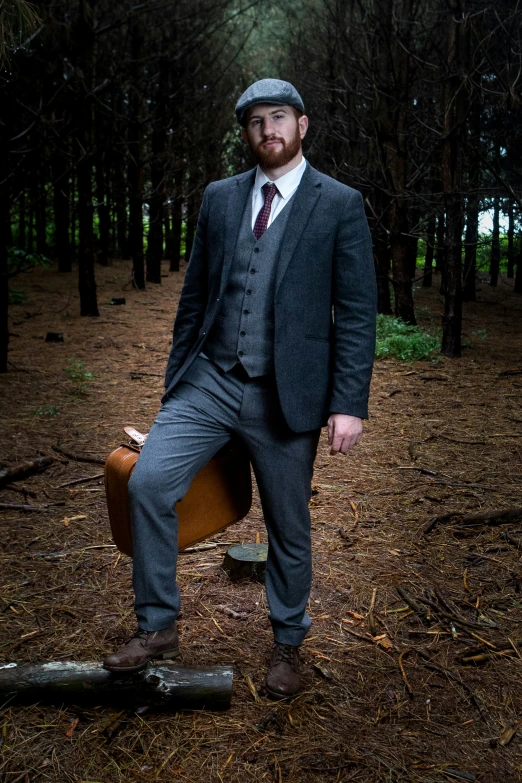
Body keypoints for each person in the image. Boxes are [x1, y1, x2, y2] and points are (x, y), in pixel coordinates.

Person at [103, 78, 377, 699]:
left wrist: (347, 403)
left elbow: (357, 311)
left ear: (302, 125)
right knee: (147, 482)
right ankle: (157, 626)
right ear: (247, 133)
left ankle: (287, 644)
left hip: (289, 394)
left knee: (288, 523)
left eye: (278, 118)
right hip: (209, 383)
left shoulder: (339, 203)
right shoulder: (221, 199)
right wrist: (176, 384)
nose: (267, 131)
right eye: (255, 122)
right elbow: (195, 297)